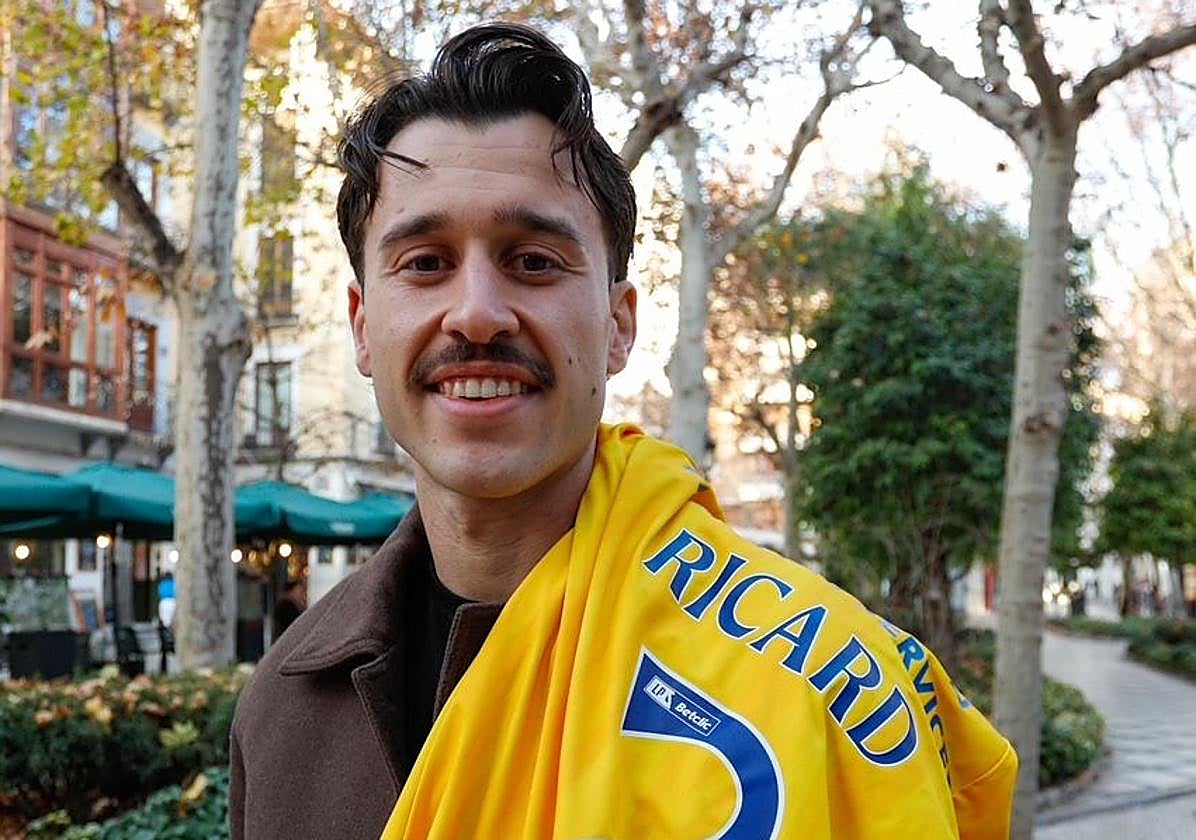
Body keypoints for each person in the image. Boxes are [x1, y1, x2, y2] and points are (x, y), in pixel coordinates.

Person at [230, 23, 1016, 840]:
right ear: (363, 326)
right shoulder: (284, 706)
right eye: (425, 262)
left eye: (534, 261)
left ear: (619, 324)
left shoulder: (827, 690)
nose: (477, 314)